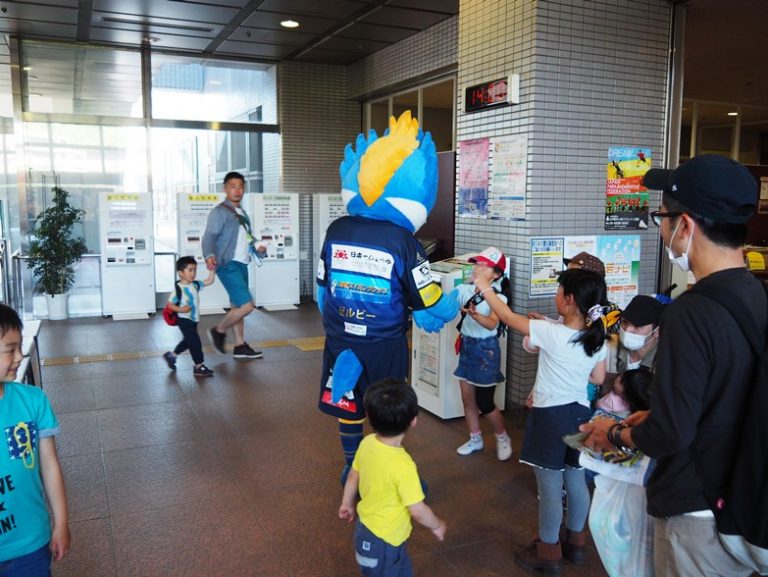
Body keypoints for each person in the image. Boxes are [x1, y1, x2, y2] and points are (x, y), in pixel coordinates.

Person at [580, 154, 763, 577]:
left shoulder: (691, 313)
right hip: (739, 499)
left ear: (686, 226)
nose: (661, 228)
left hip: (697, 511)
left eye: (662, 217)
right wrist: (656, 415)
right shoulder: (755, 295)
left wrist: (616, 433)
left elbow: (672, 433)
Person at [316, 112, 457, 485]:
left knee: (348, 402)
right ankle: (386, 472)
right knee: (389, 411)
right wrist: (454, 302)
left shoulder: (336, 229)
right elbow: (428, 299)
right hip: (385, 343)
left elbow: (322, 287)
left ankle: (352, 466)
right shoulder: (404, 241)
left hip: (339, 338)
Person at [474, 267, 613, 575]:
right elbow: (597, 377)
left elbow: (507, 317)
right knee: (575, 479)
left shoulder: (552, 333)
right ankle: (576, 544)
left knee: (550, 488)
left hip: (551, 417)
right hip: (581, 416)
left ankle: (548, 553)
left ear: (570, 299)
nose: (556, 297)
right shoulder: (596, 337)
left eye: (559, 291)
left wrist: (484, 286)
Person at [338, 379, 446, 576]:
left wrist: (347, 503)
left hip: (367, 529)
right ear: (413, 421)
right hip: (384, 541)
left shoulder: (367, 443)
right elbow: (418, 511)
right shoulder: (404, 466)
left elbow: (353, 475)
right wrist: (436, 525)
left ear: (368, 415)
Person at [0, 304, 70, 575]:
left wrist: (61, 522)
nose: (20, 356)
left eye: (20, 347)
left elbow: (49, 465)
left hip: (30, 544)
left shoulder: (33, 401)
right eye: (10, 349)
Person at [452, 247, 513, 461]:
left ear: (495, 274)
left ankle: (502, 437)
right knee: (467, 399)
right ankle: (475, 439)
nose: (476, 268)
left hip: (485, 351)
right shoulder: (465, 289)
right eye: (476, 263)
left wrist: (475, 316)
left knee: (485, 402)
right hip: (467, 346)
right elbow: (448, 301)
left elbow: (492, 324)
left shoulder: (498, 297)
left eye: (482, 265)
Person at [201, 171, 264, 360]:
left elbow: (247, 238)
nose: (237, 190)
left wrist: (258, 248)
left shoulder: (242, 213)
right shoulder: (219, 211)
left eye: (240, 187)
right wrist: (209, 255)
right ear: (225, 189)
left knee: (237, 306)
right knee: (247, 305)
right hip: (228, 263)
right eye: (233, 186)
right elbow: (209, 236)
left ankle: (239, 345)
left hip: (242, 263)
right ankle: (219, 331)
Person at [162, 256, 217, 377]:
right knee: (195, 342)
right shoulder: (178, 288)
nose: (193, 273)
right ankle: (199, 366)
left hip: (194, 320)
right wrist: (182, 309)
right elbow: (170, 305)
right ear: (180, 273)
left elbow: (209, 281)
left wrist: (212, 269)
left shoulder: (195, 285)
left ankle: (172, 356)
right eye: (190, 270)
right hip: (184, 319)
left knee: (188, 341)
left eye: (194, 270)